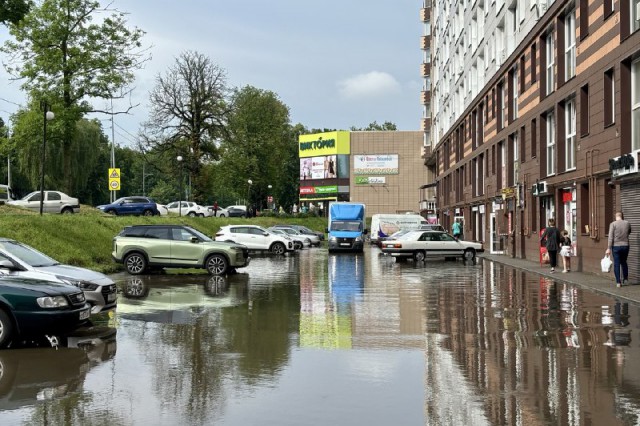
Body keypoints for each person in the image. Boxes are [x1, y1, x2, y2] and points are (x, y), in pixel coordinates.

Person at [606, 211, 632, 287]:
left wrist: (608, 248)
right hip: (625, 245)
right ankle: (626, 278)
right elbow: (629, 232)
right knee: (624, 262)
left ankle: (618, 282)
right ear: (622, 216)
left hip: (616, 247)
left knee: (617, 264)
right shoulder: (627, 223)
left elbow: (610, 237)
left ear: (616, 216)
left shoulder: (613, 224)